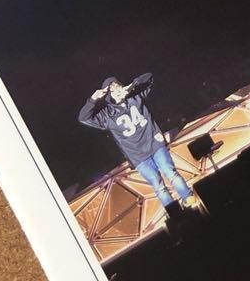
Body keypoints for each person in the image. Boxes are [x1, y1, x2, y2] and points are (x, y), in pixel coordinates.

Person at [78, 74, 198, 210]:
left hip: (155, 144)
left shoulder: (135, 97)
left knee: (171, 173)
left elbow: (150, 77)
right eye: (112, 90)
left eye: (118, 86)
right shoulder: (107, 114)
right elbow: (83, 118)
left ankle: (189, 198)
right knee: (158, 186)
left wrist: (132, 85)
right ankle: (175, 212)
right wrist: (93, 99)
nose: (117, 91)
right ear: (108, 96)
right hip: (138, 156)